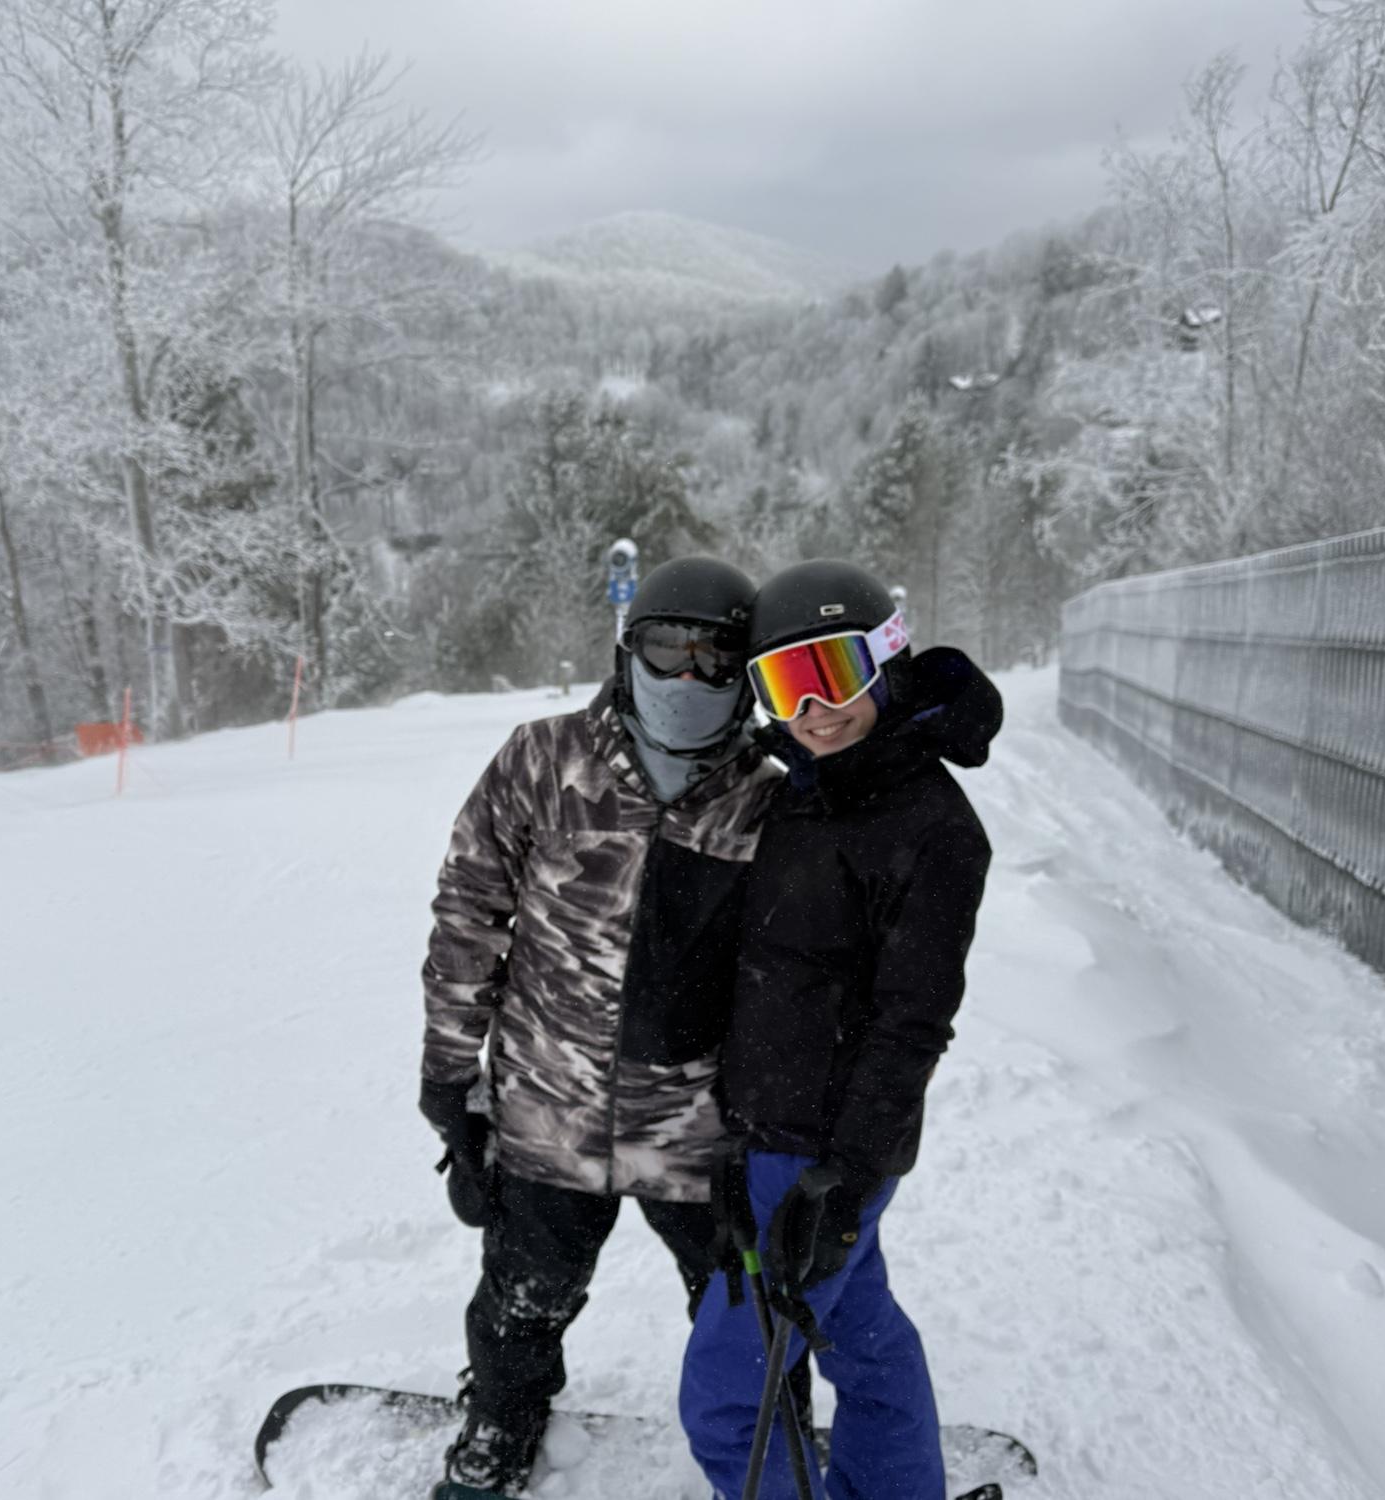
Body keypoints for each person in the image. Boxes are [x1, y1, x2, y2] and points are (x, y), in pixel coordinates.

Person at [419, 556, 782, 1497]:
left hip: (699, 1129)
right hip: (549, 1108)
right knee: (522, 1296)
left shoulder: (769, 797)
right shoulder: (545, 762)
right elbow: (468, 917)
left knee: (740, 1307)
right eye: (667, 648)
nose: (689, 675)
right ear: (627, 652)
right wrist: (448, 1076)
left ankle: (762, 1445)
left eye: (716, 656)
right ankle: (502, 1420)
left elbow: (801, 975)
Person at [679, 559, 1002, 1500]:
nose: (816, 709)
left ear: (887, 661)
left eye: (834, 672)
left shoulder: (931, 827)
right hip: (772, 1136)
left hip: (825, 1153)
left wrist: (845, 1182)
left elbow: (911, 1024)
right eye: (788, 685)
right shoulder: (808, 791)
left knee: (727, 1401)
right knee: (861, 1333)